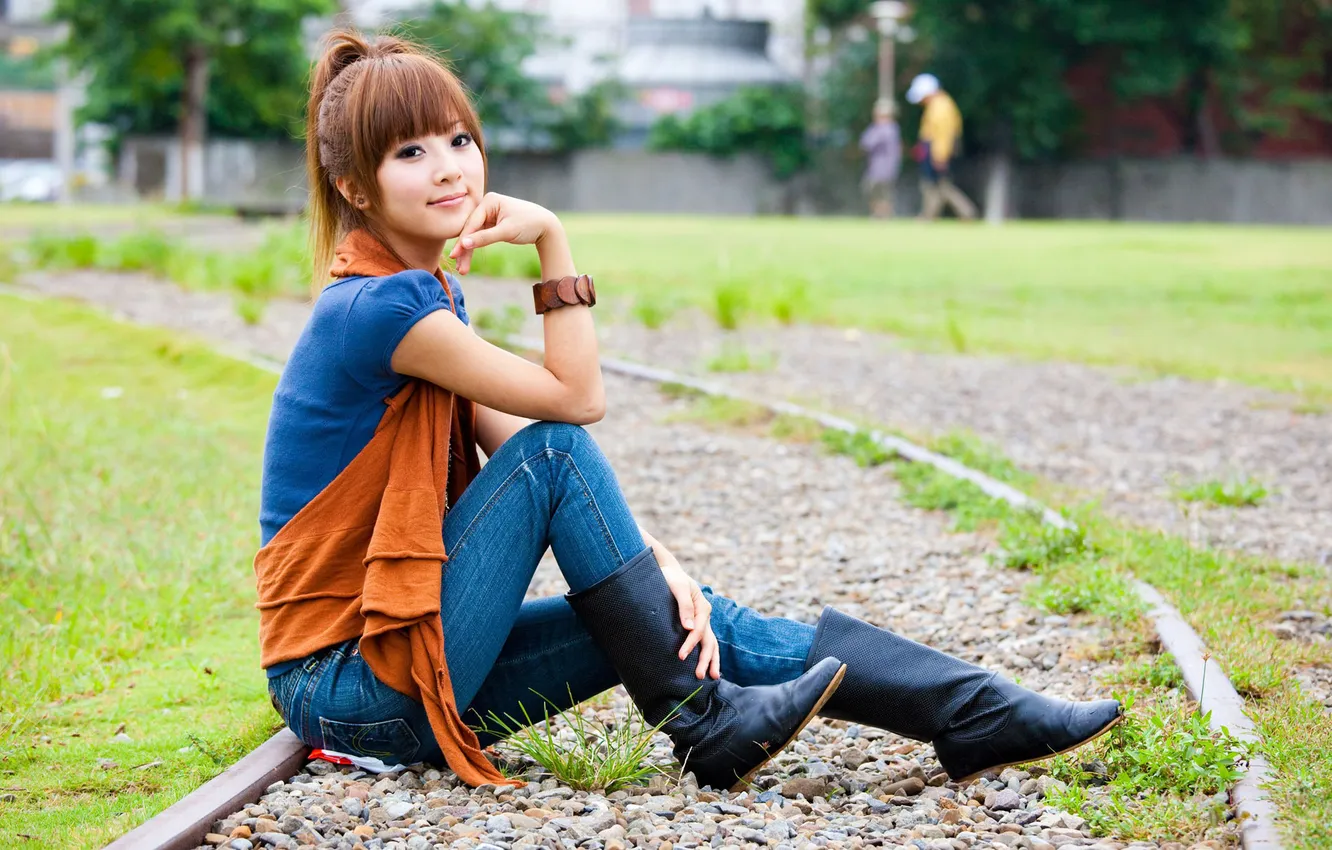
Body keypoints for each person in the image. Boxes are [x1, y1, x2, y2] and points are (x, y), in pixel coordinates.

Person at [256, 30, 1122, 794]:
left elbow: (509, 441)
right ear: (354, 187)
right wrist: (554, 240)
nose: (448, 165)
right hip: (350, 691)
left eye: (458, 139)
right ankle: (704, 723)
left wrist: (652, 561)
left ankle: (973, 711)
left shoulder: (424, 296)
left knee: (677, 611)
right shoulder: (382, 311)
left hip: (405, 659)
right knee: (563, 456)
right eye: (410, 153)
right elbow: (570, 410)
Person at [906, 73, 978, 221]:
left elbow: (943, 134)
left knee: (938, 185)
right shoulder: (938, 105)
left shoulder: (941, 107)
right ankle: (930, 215)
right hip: (933, 149)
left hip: (937, 150)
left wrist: (939, 155)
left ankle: (965, 212)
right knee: (935, 185)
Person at [859, 99, 902, 219]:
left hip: (882, 168)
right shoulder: (887, 128)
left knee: (883, 193)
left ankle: (883, 215)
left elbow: (867, 143)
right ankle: (879, 214)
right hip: (877, 167)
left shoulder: (886, 129)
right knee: (876, 192)